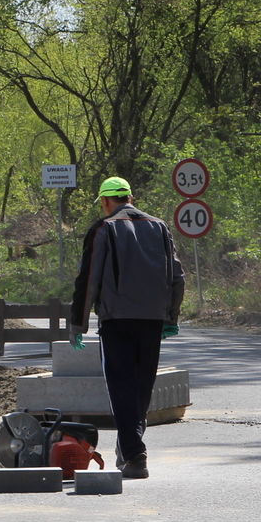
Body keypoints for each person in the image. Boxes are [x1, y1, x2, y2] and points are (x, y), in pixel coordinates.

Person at [69, 176, 185, 480]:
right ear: (130, 198)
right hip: (151, 321)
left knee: (121, 387)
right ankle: (128, 448)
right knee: (141, 389)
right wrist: (170, 318)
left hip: (116, 321)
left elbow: (88, 278)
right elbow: (177, 276)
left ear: (107, 201)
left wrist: (78, 324)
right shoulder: (159, 227)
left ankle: (135, 456)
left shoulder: (103, 229)